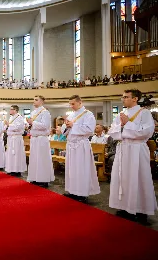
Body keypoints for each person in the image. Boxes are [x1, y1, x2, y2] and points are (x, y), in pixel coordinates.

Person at [108, 89, 157, 225]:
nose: (123, 99)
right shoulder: (121, 114)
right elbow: (112, 130)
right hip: (123, 148)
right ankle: (124, 207)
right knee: (122, 177)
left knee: (139, 177)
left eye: (126, 97)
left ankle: (141, 210)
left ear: (135, 99)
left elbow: (147, 131)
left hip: (136, 149)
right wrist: (123, 126)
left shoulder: (144, 113)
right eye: (122, 96)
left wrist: (127, 124)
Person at [61, 95, 100, 202]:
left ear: (80, 102)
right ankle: (73, 191)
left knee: (81, 169)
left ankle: (82, 194)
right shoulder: (72, 115)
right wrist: (67, 126)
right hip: (71, 145)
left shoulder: (88, 114)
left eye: (73, 104)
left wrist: (73, 125)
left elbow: (89, 129)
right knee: (72, 169)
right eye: (70, 104)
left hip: (81, 145)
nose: (71, 106)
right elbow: (64, 131)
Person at [27, 96, 54, 187]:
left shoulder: (45, 112)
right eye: (33, 99)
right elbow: (32, 125)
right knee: (34, 159)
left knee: (42, 159)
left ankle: (43, 180)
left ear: (42, 101)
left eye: (36, 100)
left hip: (42, 138)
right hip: (34, 138)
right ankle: (35, 178)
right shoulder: (33, 112)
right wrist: (28, 125)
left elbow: (45, 126)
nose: (33, 101)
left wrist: (32, 123)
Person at [5, 105, 27, 176]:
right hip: (11, 138)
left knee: (17, 154)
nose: (10, 111)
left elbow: (18, 127)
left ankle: (17, 170)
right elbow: (9, 128)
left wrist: (9, 125)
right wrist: (7, 126)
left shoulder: (20, 118)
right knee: (11, 154)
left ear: (15, 110)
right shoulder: (11, 118)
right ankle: (12, 169)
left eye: (11, 109)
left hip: (17, 139)